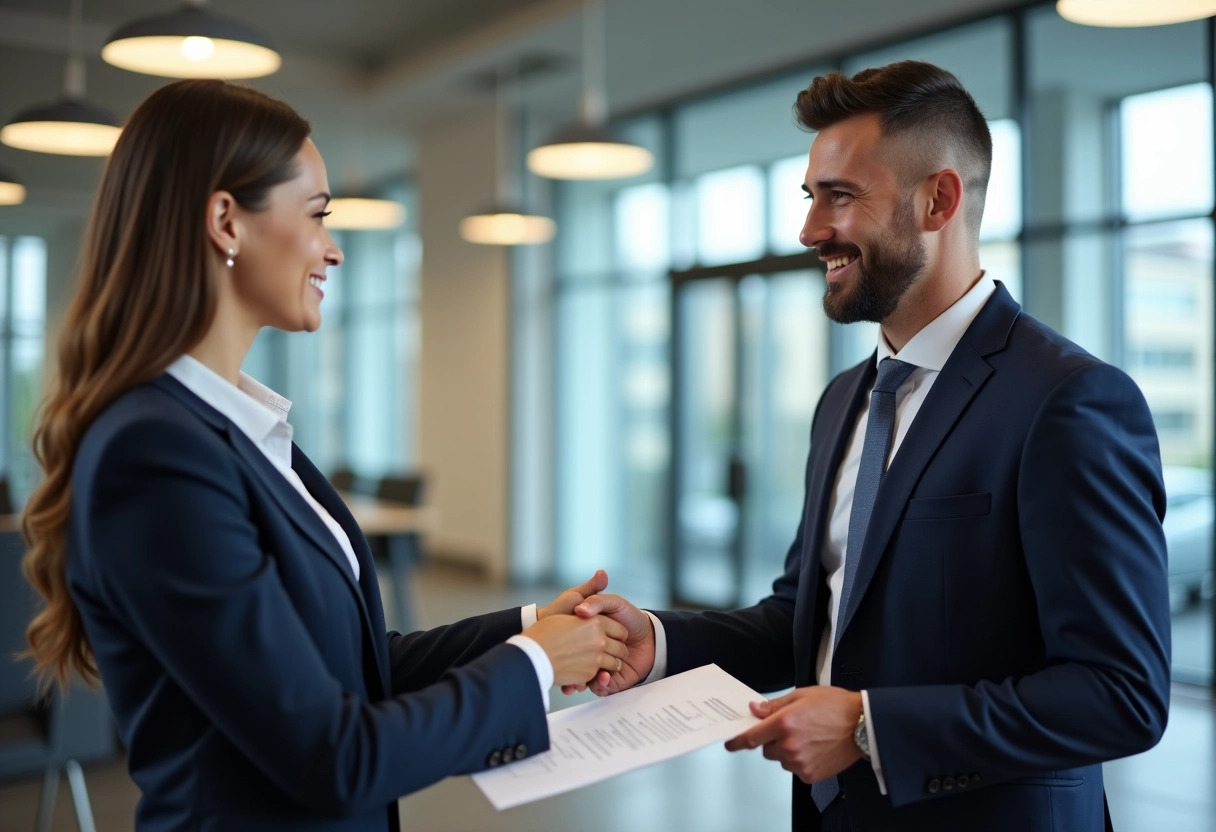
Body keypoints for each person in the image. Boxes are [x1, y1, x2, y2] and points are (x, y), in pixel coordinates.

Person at [574, 60, 1171, 832]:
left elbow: (1120, 693)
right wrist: (657, 641)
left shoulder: (1068, 400)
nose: (809, 229)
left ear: (939, 200)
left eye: (841, 196)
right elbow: (806, 616)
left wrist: (867, 728)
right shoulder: (842, 401)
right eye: (810, 196)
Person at [20, 79, 629, 832]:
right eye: (316, 216)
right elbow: (334, 756)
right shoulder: (155, 453)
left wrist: (534, 624)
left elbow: (352, 664)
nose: (334, 249)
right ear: (225, 222)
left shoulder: (236, 428)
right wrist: (536, 664)